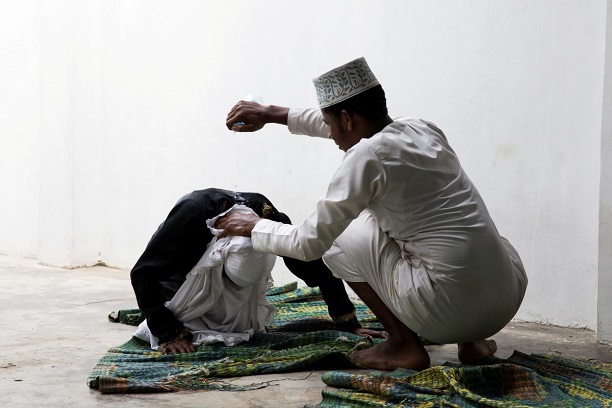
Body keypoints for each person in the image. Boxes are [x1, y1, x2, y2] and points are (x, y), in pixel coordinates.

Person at [219, 57, 528, 371]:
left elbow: (308, 243)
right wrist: (272, 114)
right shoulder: (421, 128)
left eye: (331, 125)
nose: (332, 136)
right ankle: (472, 342)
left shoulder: (365, 156)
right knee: (465, 226)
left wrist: (255, 226)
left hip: (444, 313)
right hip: (504, 301)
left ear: (347, 120)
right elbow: (335, 121)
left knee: (339, 238)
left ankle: (403, 345)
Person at [130, 188, 383, 355]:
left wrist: (348, 322)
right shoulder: (192, 212)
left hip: (231, 290)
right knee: (179, 325)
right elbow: (142, 273)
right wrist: (169, 333)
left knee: (238, 325)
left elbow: (314, 264)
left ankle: (236, 294)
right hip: (185, 282)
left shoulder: (266, 216)